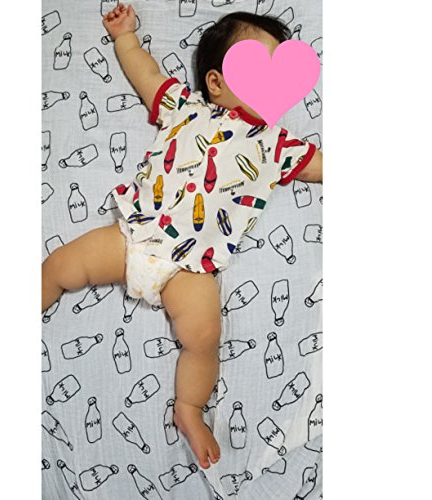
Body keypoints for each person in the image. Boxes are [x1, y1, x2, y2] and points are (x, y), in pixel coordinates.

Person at [42, 3, 323, 470]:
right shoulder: (184, 107)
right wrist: (125, 37)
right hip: (135, 234)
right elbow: (146, 74)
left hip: (191, 267)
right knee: (58, 268)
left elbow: (320, 166)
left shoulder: (277, 145)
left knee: (204, 338)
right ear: (216, 81)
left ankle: (189, 409)